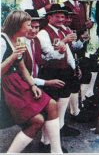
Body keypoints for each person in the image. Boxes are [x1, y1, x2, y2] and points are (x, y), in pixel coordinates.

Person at [1, 11, 63, 153]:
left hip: (18, 82)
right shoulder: (2, 41)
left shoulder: (18, 39)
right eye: (28, 25)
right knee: (37, 120)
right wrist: (13, 55)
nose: (31, 28)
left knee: (52, 104)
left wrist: (33, 84)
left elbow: (22, 68)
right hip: (6, 87)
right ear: (17, 25)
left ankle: (56, 151)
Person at [37, 4, 80, 137]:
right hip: (51, 72)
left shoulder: (61, 31)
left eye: (63, 17)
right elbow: (49, 55)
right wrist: (64, 41)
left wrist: (74, 67)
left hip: (64, 70)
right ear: (49, 17)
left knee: (65, 97)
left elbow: (68, 53)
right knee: (52, 103)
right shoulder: (43, 33)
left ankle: (61, 125)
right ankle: (49, 136)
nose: (61, 19)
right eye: (57, 16)